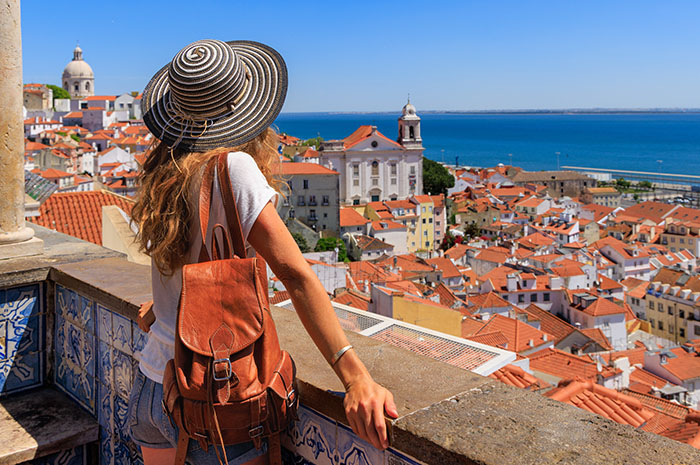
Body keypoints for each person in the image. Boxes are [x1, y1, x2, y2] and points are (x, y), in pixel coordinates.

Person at [128, 39, 397, 465]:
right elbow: (295, 275)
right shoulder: (233, 167)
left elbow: (178, 265)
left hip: (151, 386)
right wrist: (355, 376)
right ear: (244, 109)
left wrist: (167, 311)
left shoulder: (168, 168)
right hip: (213, 403)